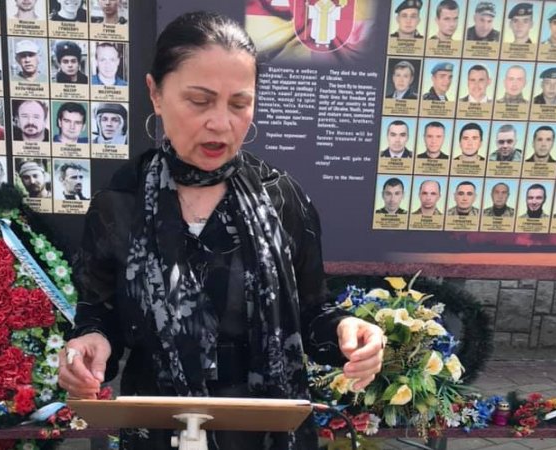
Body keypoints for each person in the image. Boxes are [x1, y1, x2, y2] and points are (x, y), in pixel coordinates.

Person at [58, 11, 385, 450]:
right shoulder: (119, 204)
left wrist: (349, 331)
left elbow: (312, 314)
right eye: (199, 101)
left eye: (239, 103)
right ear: (155, 93)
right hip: (157, 426)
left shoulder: (281, 198)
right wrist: (90, 342)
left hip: (261, 431)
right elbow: (99, 313)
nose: (221, 123)